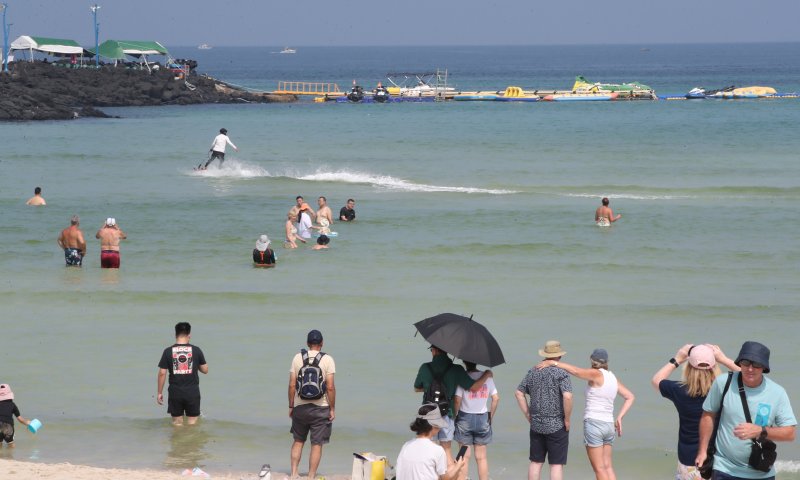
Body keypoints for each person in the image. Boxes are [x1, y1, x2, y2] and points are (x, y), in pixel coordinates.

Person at [695, 341, 796, 480]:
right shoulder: (723, 383)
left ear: (764, 367)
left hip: (761, 473)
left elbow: (790, 434)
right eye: (746, 362)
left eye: (757, 365)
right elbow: (708, 415)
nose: (750, 369)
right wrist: (702, 451)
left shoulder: (777, 393)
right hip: (724, 468)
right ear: (739, 363)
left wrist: (761, 431)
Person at [537, 348, 635, 480]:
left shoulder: (596, 374)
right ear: (606, 362)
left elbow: (576, 371)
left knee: (599, 469)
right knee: (608, 467)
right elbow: (630, 396)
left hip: (594, 424)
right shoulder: (612, 377)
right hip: (608, 426)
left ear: (592, 360)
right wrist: (619, 417)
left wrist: (553, 363)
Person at [651, 344, 739, 480]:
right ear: (714, 367)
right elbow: (750, 378)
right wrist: (724, 359)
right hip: (718, 460)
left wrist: (678, 359)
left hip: (688, 460)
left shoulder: (679, 390)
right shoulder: (724, 390)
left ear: (689, 368)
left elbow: (656, 380)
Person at [414, 345, 493, 465]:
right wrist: (487, 374)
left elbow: (416, 387)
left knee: (430, 449)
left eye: (431, 350)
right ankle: (450, 476)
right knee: (446, 450)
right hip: (447, 412)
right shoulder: (456, 369)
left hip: (428, 414)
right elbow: (474, 387)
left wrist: (428, 388)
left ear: (435, 351)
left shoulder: (425, 367)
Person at [515, 340, 573, 480]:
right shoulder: (561, 373)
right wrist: (567, 419)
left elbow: (518, 393)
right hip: (556, 424)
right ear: (559, 356)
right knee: (556, 464)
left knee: (535, 462)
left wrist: (527, 413)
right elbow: (567, 396)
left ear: (545, 355)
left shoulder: (533, 371)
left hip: (536, 424)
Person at [288, 329, 336, 480]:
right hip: (320, 408)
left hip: (300, 407)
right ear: (321, 343)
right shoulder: (327, 359)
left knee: (298, 440)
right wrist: (332, 408)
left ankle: (294, 473)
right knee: (316, 444)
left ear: (308, 344)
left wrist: (291, 406)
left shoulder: (297, 358)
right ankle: (311, 476)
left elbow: (291, 385)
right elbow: (330, 387)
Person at [396, 403, 467, 480]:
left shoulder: (406, 446)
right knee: (454, 473)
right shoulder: (437, 450)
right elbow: (446, 478)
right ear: (434, 426)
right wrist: (458, 466)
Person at [454, 361, 499, 480]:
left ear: (464, 362)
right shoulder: (487, 378)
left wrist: (455, 415)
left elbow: (457, 400)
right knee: (482, 457)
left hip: (465, 418)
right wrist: (491, 416)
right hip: (482, 417)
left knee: (464, 456)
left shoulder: (462, 377)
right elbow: (496, 398)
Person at [157, 322, 208, 426]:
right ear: (189, 335)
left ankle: (177, 441)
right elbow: (205, 370)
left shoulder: (167, 351)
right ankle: (190, 442)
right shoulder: (196, 350)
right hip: (192, 392)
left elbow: (162, 373)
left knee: (177, 423)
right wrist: (196, 363)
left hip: (175, 392)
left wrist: (159, 392)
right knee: (192, 423)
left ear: (175, 335)